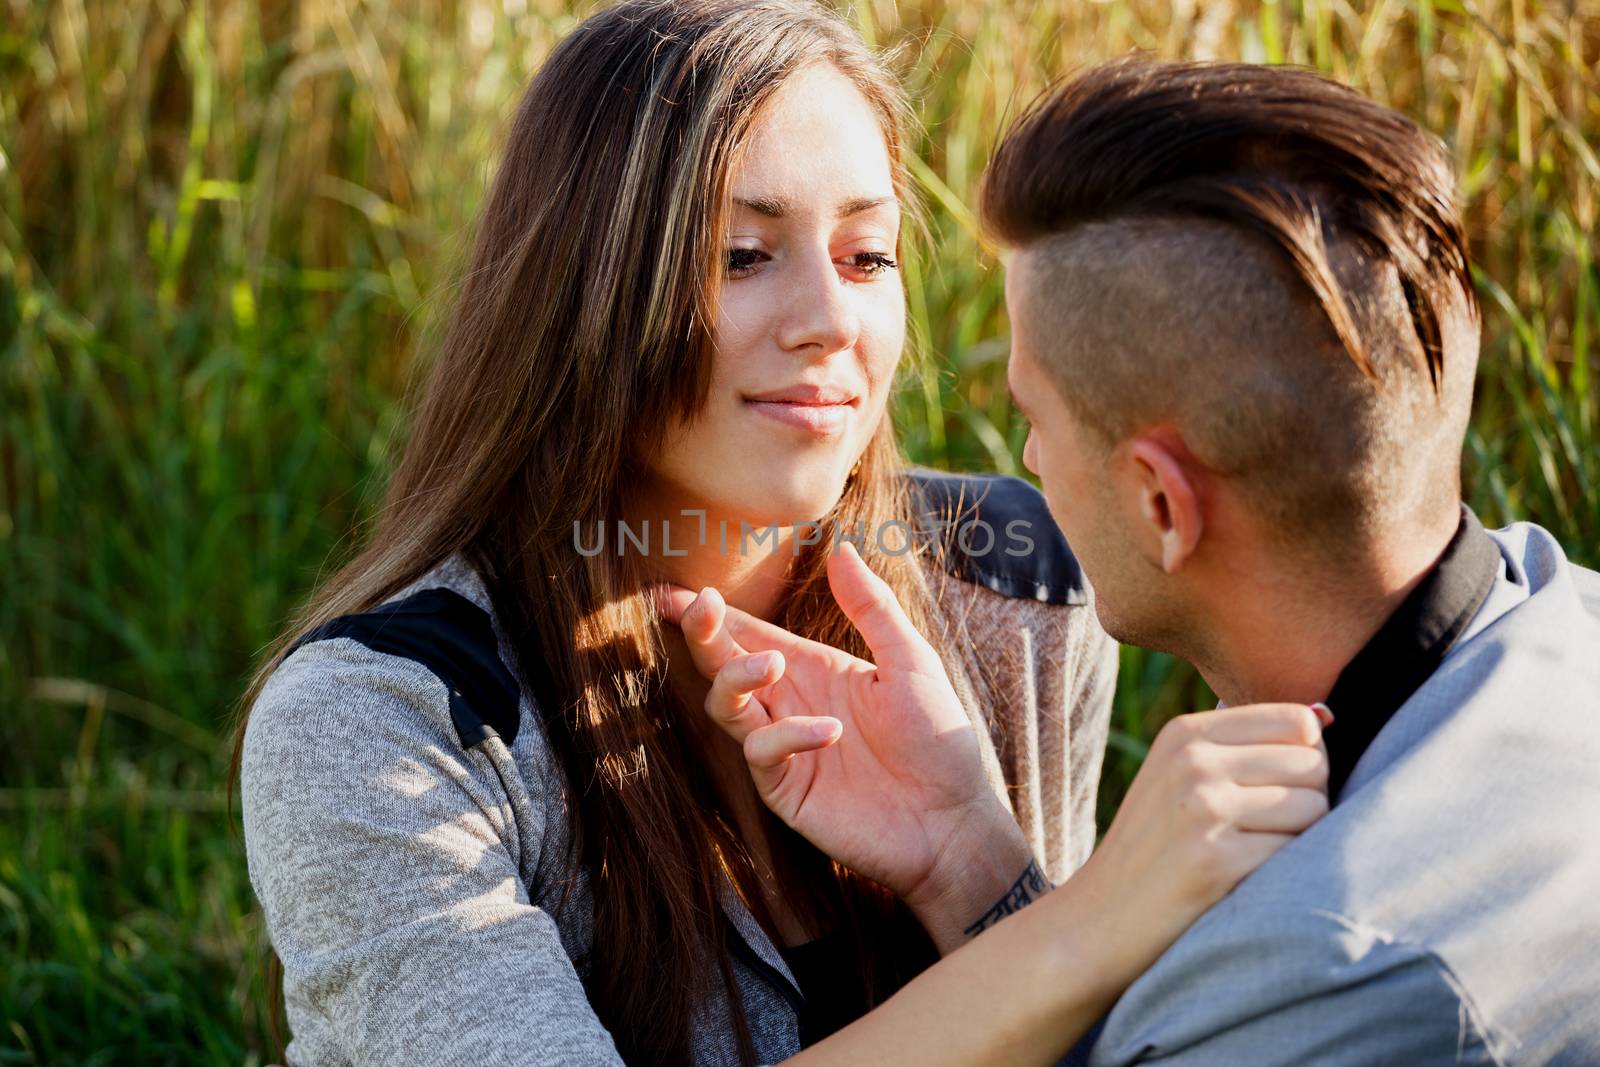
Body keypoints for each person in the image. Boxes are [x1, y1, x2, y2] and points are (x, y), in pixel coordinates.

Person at [231, 6, 1331, 1066]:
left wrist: (971, 867)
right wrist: (1083, 928)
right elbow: (1048, 982)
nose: (829, 319)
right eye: (743, 256)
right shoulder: (384, 722)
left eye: (866, 256)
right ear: (586, 294)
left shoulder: (1022, 587)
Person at [673, 60, 1600, 1065]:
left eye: (1033, 418)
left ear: (1161, 503)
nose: (1023, 461)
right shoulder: (1564, 615)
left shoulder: (1322, 980)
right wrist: (970, 858)